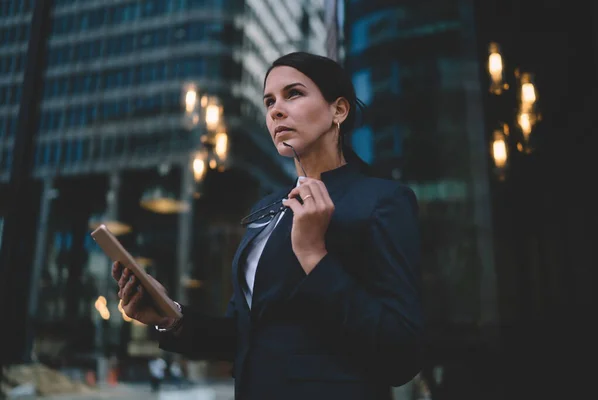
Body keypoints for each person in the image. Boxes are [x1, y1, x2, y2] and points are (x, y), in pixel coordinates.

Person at [113, 52, 423, 400]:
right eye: (269, 101)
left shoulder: (382, 200)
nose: (275, 110)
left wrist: (313, 256)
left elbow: (402, 352)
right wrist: (170, 316)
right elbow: (245, 335)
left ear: (339, 110)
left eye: (293, 94)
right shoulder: (267, 208)